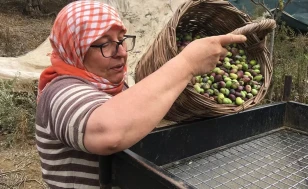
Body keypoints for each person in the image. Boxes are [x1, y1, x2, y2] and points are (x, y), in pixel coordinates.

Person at [35, 0, 247, 188]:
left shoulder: (115, 87)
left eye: (121, 39)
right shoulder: (58, 91)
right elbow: (108, 133)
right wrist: (187, 63)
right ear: (75, 48)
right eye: (105, 43)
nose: (121, 52)